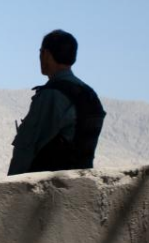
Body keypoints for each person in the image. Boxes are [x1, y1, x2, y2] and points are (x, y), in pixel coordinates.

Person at [8, 30, 106, 175]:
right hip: (81, 183)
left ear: (46, 54)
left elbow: (27, 148)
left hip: (50, 189)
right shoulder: (88, 94)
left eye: (41, 52)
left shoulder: (52, 95)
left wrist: (11, 187)